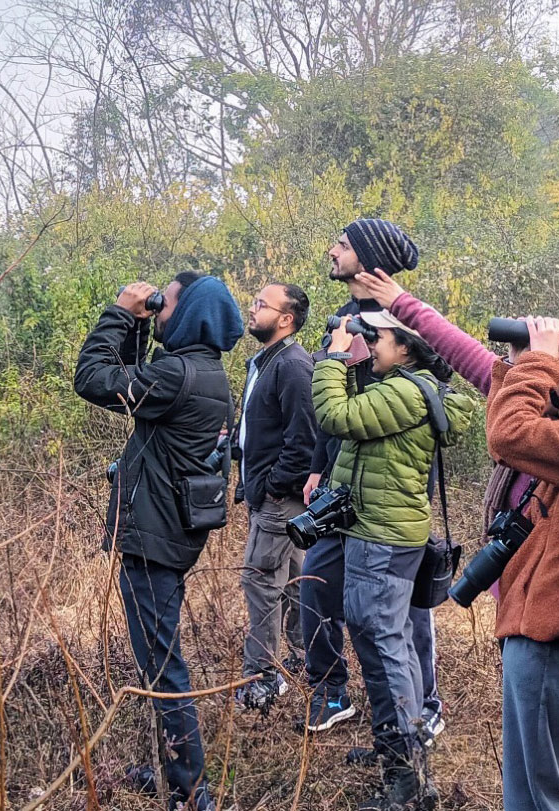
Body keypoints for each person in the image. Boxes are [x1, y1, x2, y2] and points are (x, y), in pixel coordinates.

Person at [355, 267, 559, 811]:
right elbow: (470, 356)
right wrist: (402, 302)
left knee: (552, 782)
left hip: (558, 625)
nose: (557, 348)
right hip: (541, 612)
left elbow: (509, 433)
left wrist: (539, 359)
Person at [74, 273, 244, 811]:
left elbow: (93, 379)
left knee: (163, 663)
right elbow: (127, 380)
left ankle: (192, 793)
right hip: (174, 530)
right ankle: (175, 771)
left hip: (156, 540)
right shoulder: (205, 372)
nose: (158, 307)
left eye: (165, 302)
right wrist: (141, 327)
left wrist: (121, 313)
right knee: (158, 657)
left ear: (189, 313)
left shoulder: (176, 376)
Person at [314, 311, 475, 810]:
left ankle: (406, 783)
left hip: (380, 539)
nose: (370, 344)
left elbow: (335, 417)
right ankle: (398, 750)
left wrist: (336, 357)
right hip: (387, 533)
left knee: (382, 648)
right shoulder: (406, 386)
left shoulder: (405, 392)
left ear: (406, 347)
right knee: (391, 641)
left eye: (377, 337)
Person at [300, 219, 446, 740]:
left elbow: (435, 400)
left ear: (368, 257)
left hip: (393, 487)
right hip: (340, 476)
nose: (331, 251)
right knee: (318, 580)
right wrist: (318, 465)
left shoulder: (408, 319)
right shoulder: (342, 318)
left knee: (401, 608)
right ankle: (332, 691)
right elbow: (328, 407)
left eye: (341, 245)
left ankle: (422, 707)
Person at [233, 283, 316, 710]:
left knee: (261, 583)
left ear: (286, 318)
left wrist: (271, 487)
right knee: (297, 586)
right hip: (269, 495)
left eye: (262, 304)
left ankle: (261, 681)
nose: (253, 308)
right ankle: (312, 664)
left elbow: (303, 442)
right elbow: (265, 430)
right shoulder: (264, 362)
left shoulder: (294, 366)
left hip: (279, 501)